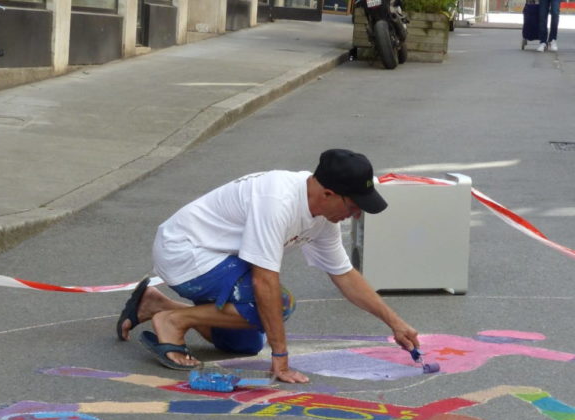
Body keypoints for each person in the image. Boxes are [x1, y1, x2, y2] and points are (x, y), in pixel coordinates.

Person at [116, 148, 419, 383]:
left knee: (243, 344)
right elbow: (264, 282)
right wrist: (280, 357)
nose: (355, 215)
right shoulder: (277, 200)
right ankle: (172, 323)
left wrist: (395, 322)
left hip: (220, 259)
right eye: (353, 206)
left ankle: (155, 304)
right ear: (328, 193)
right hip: (185, 252)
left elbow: (345, 275)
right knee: (279, 303)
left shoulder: (324, 218)